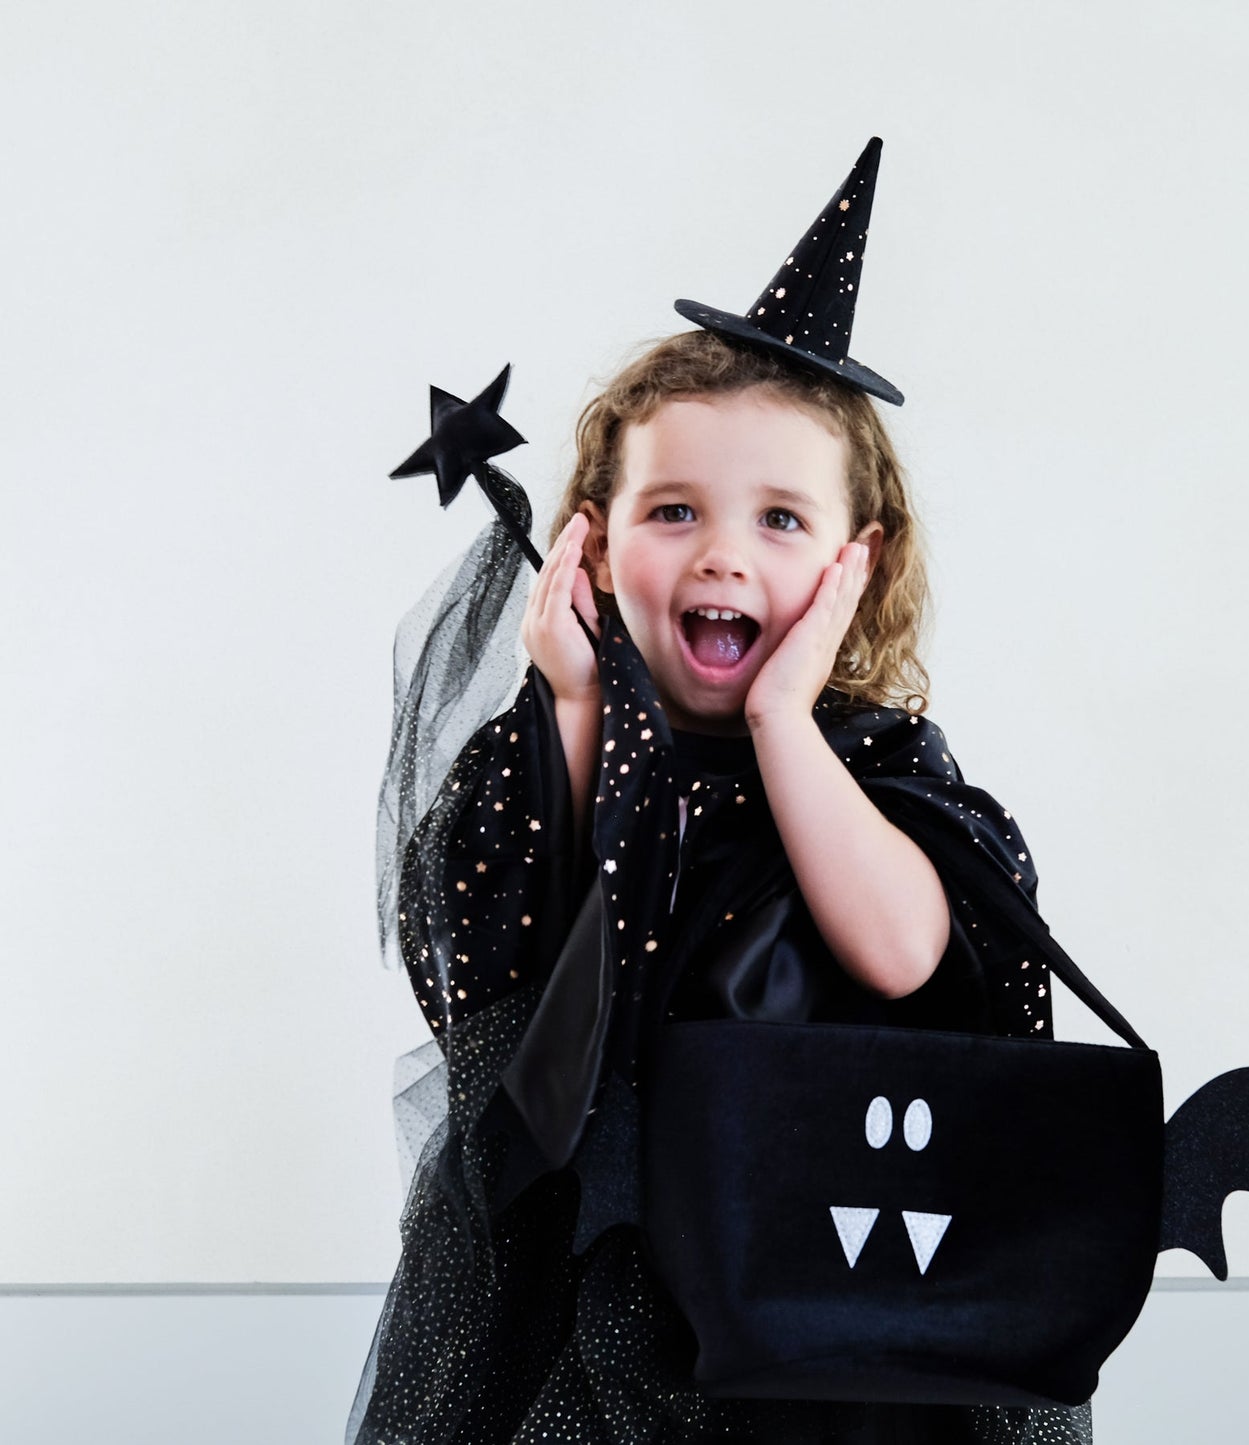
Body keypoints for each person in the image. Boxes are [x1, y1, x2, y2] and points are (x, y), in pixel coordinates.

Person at [349, 142, 1093, 1445]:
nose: (723, 555)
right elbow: (503, 1000)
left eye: (781, 520)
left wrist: (780, 722)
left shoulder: (883, 773)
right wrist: (575, 709)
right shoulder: (542, 754)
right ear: (592, 538)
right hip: (602, 1290)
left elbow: (906, 952)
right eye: (675, 512)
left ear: (858, 565)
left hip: (834, 1283)